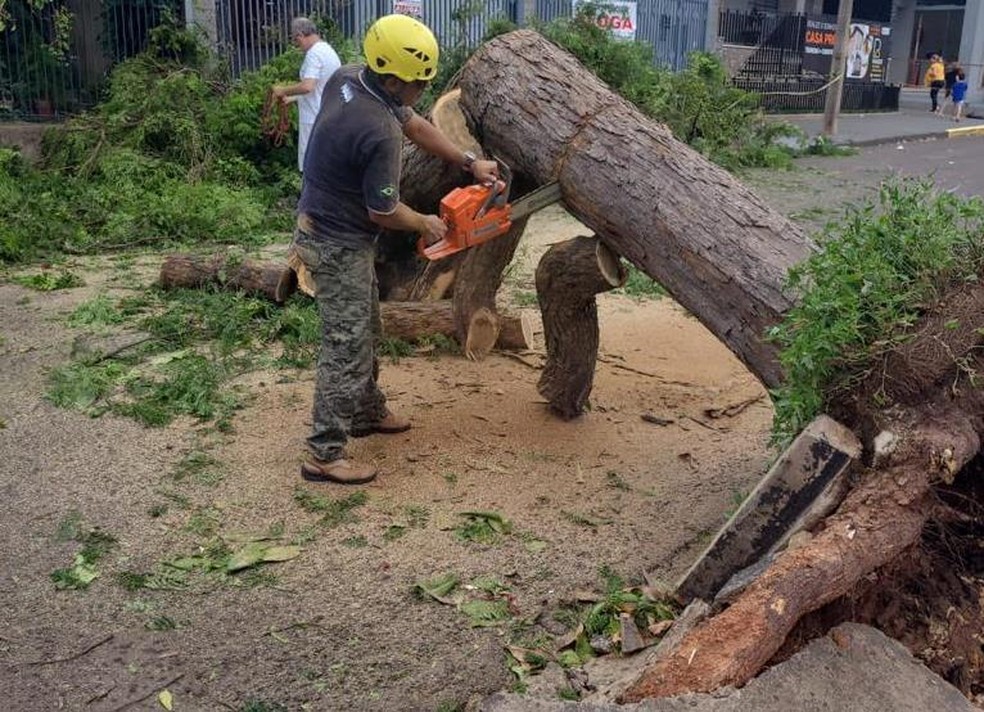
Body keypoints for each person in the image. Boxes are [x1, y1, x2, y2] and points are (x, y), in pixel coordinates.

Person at [290, 14, 499, 484]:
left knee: (368, 325)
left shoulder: (350, 77)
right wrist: (425, 222)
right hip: (334, 240)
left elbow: (417, 126)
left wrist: (470, 162)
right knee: (346, 345)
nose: (423, 90)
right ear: (392, 78)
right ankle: (324, 452)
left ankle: (365, 409)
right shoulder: (378, 129)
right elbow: (382, 212)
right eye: (418, 83)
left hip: (329, 226)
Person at [271, 18, 341, 171]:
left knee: (310, 165)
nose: (297, 46)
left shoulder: (313, 54)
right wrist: (292, 98)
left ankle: (308, 194)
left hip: (312, 118)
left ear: (300, 35)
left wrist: (283, 90)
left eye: (296, 41)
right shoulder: (328, 50)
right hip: (328, 115)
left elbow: (308, 86)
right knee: (325, 163)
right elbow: (319, 87)